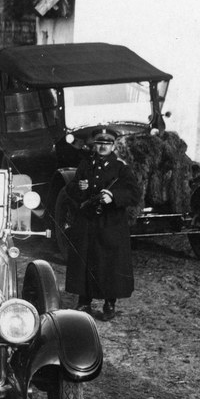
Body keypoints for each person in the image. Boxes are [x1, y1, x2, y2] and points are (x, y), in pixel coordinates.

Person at [63, 129, 140, 321]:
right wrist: (78, 188)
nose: (103, 146)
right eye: (99, 142)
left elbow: (134, 193)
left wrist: (113, 196)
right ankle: (84, 302)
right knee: (85, 261)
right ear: (94, 145)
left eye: (107, 143)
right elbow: (70, 189)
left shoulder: (121, 168)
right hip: (87, 221)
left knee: (109, 263)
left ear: (113, 145)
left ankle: (109, 304)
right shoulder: (85, 164)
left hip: (110, 224)